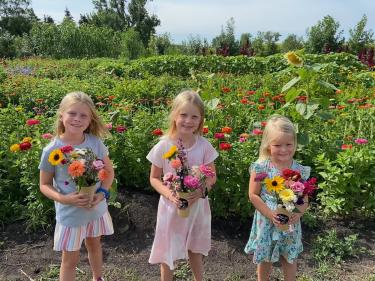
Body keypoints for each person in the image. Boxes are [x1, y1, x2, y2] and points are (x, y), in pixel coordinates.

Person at [39, 91, 114, 281]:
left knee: (95, 247)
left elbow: (109, 172)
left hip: (95, 210)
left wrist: (103, 192)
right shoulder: (52, 150)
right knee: (69, 260)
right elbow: (44, 184)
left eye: (83, 115)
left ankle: (98, 278)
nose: (77, 119)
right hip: (70, 215)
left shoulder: (95, 143)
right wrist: (64, 199)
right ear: (61, 115)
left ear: (90, 120)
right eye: (72, 113)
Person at [146, 90, 219, 281]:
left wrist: (202, 191)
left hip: (197, 208)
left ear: (201, 119)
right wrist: (170, 195)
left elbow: (212, 177)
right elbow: (154, 178)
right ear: (174, 116)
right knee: (168, 251)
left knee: (195, 248)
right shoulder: (163, 146)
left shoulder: (204, 146)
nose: (188, 120)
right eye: (183, 115)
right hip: (172, 208)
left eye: (194, 116)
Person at [244, 115, 311, 281]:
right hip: (267, 220)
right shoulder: (262, 168)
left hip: (290, 222)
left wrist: (299, 213)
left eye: (289, 144)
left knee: (289, 257)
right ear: (268, 145)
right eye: (277, 145)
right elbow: (253, 194)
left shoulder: (299, 170)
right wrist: (269, 213)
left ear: (295, 144)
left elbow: (304, 198)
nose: (284, 150)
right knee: (265, 257)